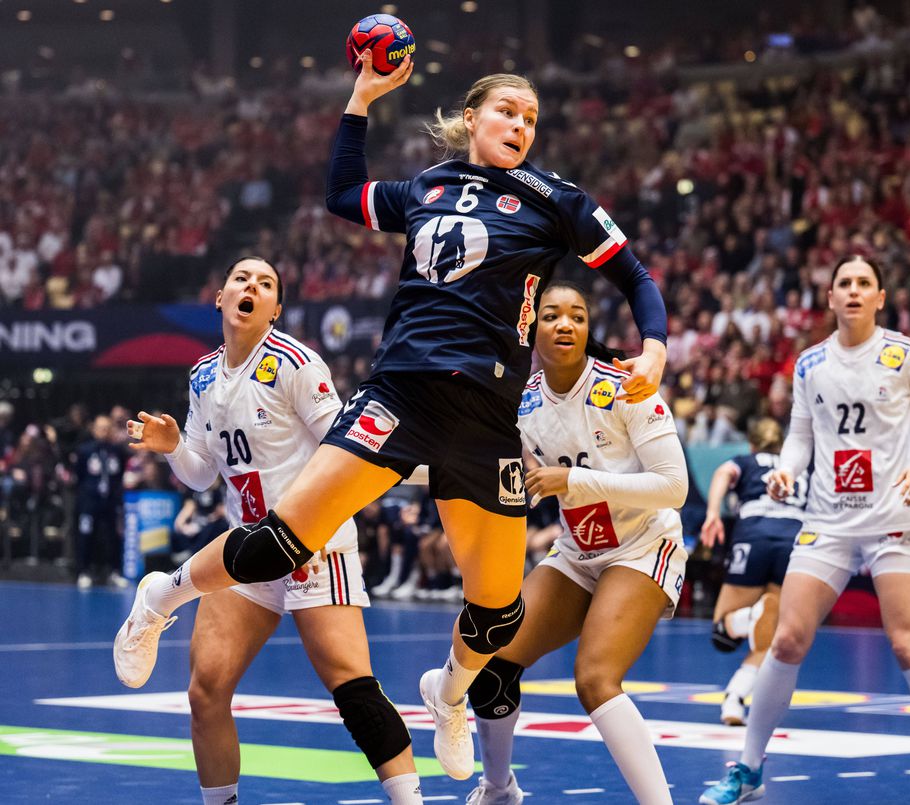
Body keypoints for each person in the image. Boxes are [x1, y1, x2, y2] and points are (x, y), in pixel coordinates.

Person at [114, 52, 668, 784]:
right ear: (472, 118)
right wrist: (361, 97)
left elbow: (635, 275)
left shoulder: (553, 198)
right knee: (280, 540)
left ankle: (449, 691)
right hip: (399, 394)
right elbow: (342, 191)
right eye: (508, 111)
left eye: (531, 118)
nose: (521, 125)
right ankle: (163, 593)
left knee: (497, 615)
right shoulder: (426, 188)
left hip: (484, 418)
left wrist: (655, 346)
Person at [125, 257, 423, 805]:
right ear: (220, 298)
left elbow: (344, 448)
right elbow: (201, 474)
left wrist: (313, 525)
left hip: (314, 540)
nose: (252, 287)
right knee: (205, 689)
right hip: (246, 551)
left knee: (352, 687)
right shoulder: (203, 375)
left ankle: (411, 801)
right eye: (242, 279)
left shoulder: (294, 362)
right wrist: (172, 449)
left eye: (265, 284)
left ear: (275, 309)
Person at [700, 256, 910, 805]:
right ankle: (749, 769)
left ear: (879, 297)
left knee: (907, 644)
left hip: (895, 517)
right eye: (843, 283)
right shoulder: (810, 364)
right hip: (827, 518)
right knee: (787, 638)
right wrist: (786, 471)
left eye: (864, 284)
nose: (853, 291)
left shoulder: (907, 353)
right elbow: (801, 437)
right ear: (830, 298)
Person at [464, 283, 686, 805]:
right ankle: (500, 790)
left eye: (577, 316)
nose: (565, 324)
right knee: (491, 662)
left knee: (594, 678)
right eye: (552, 316)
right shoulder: (522, 402)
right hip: (577, 554)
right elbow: (482, 472)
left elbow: (674, 488)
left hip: (643, 546)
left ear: (588, 329)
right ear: (532, 329)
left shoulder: (628, 386)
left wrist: (576, 483)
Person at [699, 418, 798, 726]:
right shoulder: (796, 465)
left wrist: (713, 513)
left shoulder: (745, 460)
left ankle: (746, 619)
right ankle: (735, 698)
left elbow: (723, 473)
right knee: (770, 637)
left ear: (752, 444)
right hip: (794, 538)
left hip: (754, 535)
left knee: (722, 633)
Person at [74, 415, 127, 589]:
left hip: (111, 501)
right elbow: (80, 475)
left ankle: (114, 571)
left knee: (114, 536)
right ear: (94, 429)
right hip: (90, 501)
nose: (104, 431)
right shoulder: (85, 451)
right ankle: (83, 571)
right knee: (86, 535)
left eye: (107, 427)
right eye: (100, 427)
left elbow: (119, 475)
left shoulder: (117, 451)